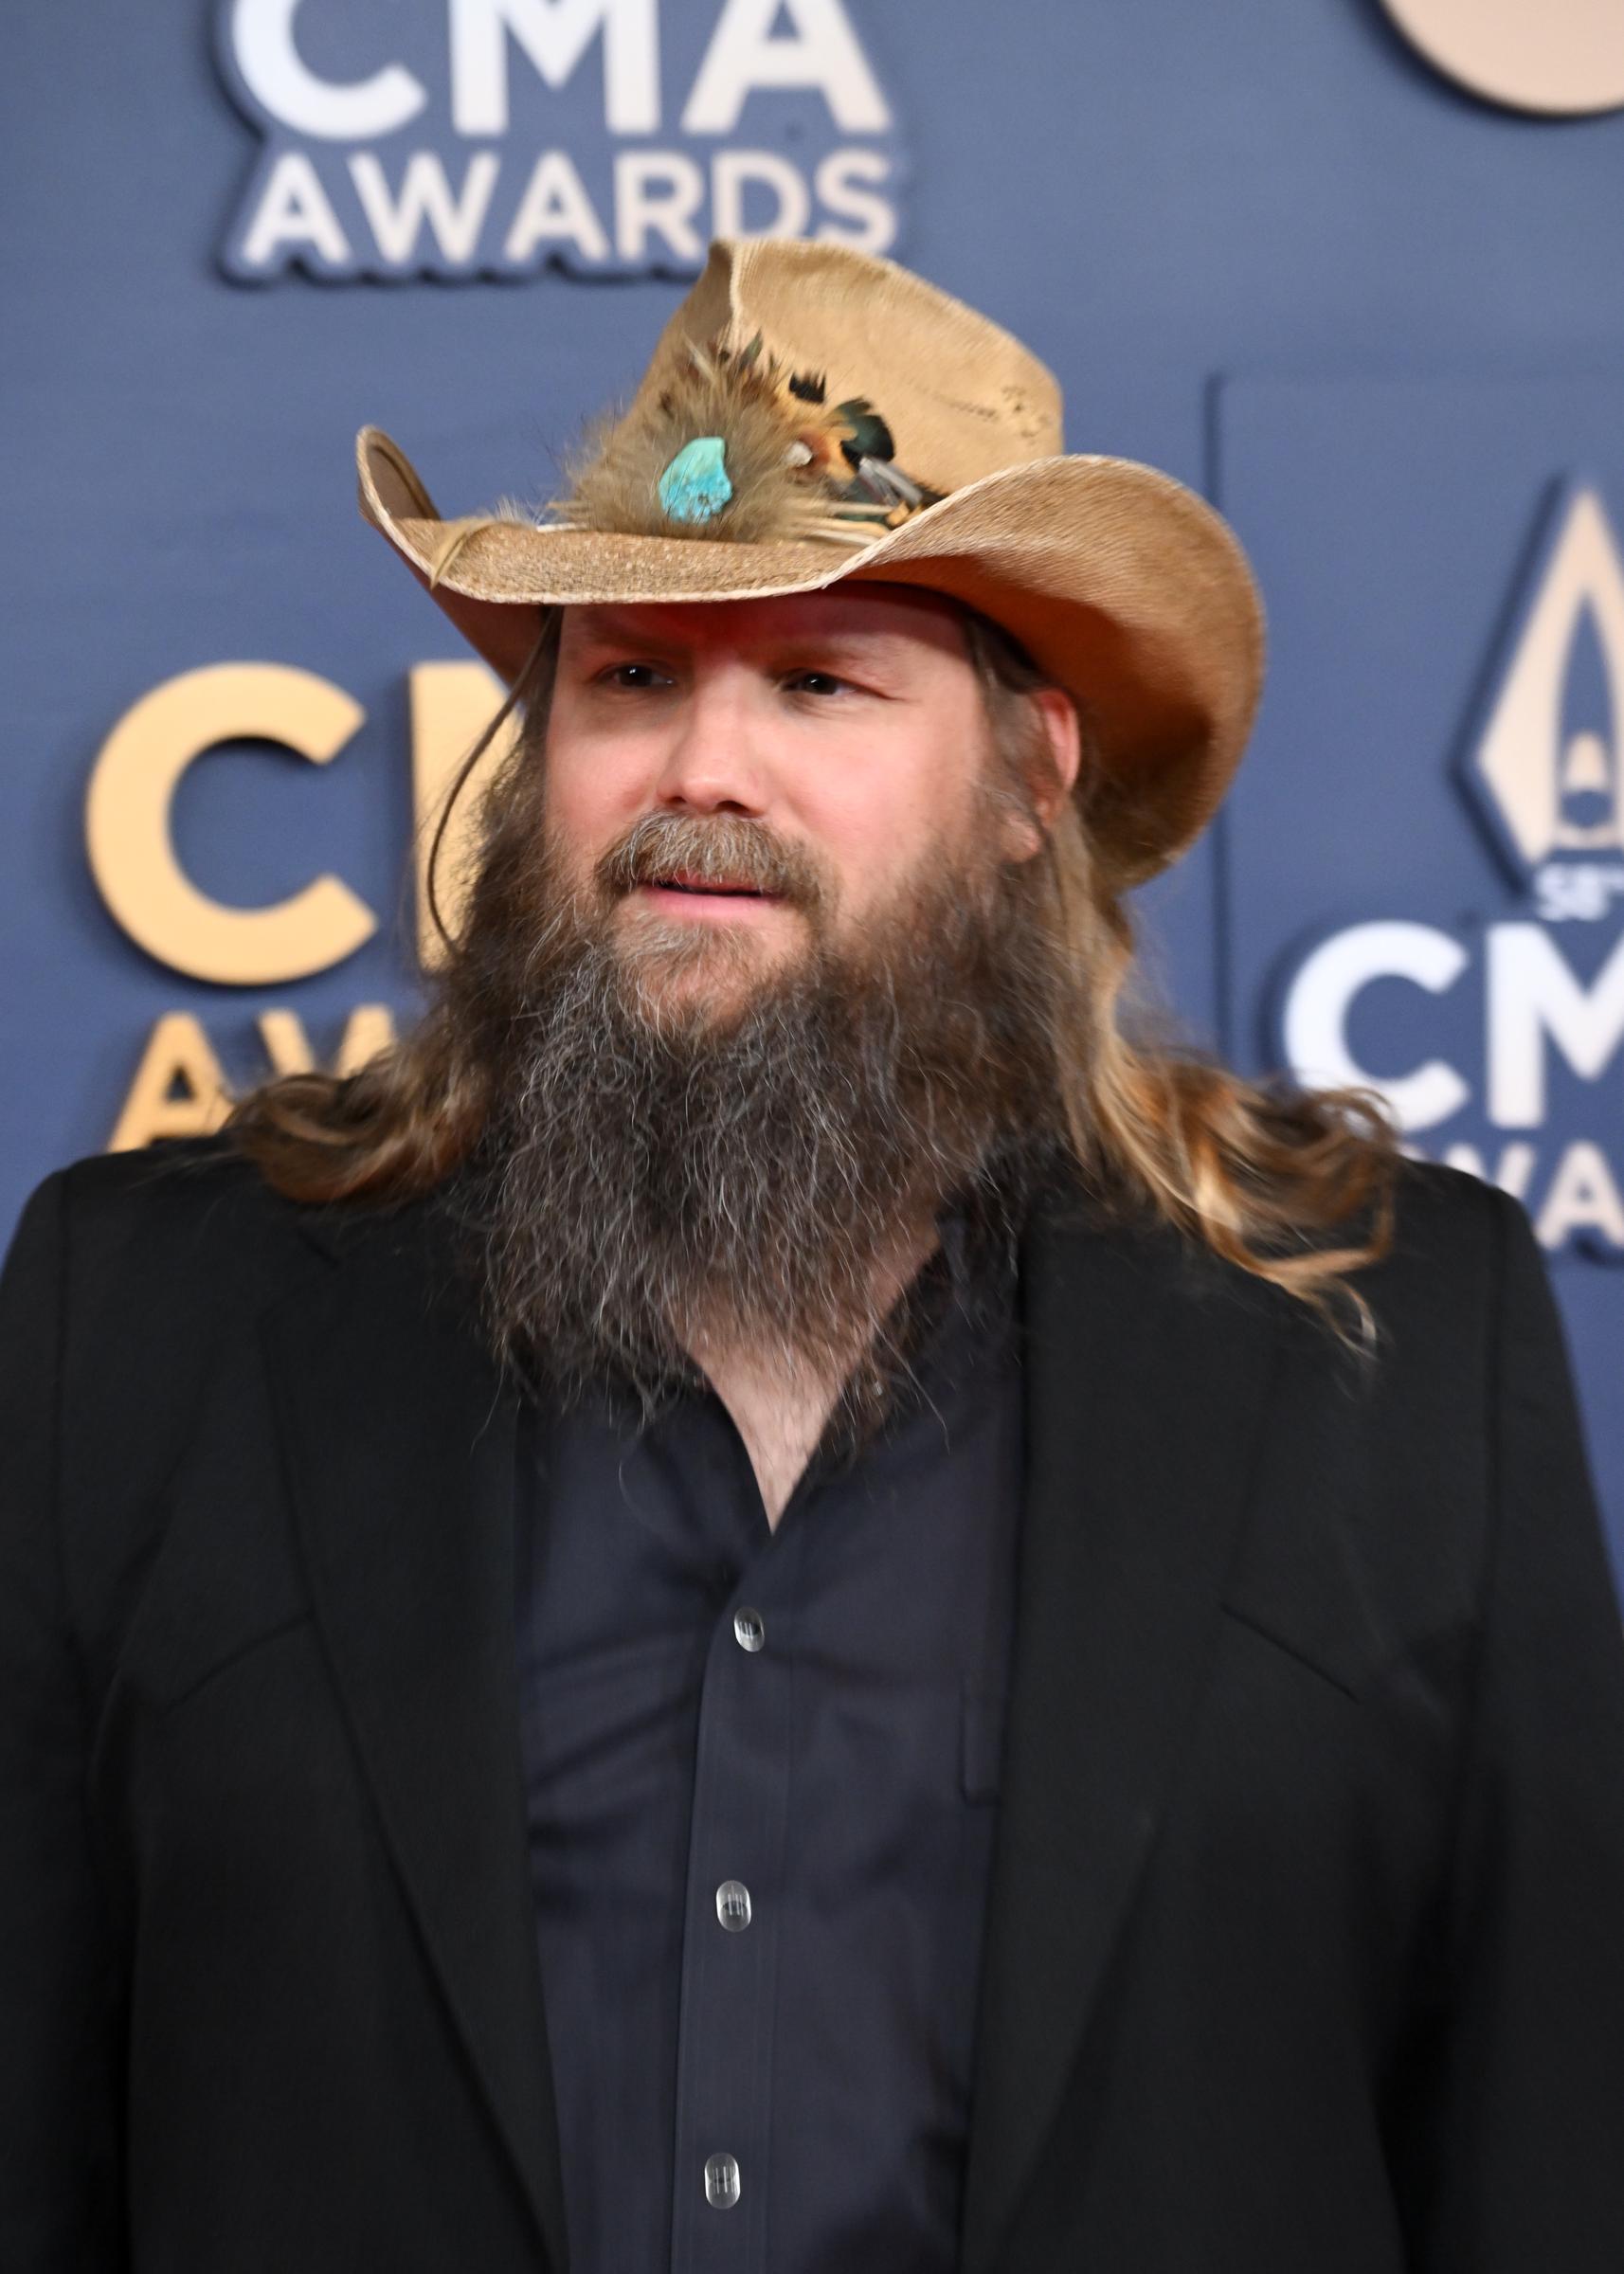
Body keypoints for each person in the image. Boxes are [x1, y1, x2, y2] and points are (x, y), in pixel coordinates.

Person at [3, 238, 1622, 2274]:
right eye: (632, 678)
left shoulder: (1388, 1339)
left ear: (1027, 780)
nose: (701, 773)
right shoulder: (141, 1320)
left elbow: (1544, 2167)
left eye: (819, 682)